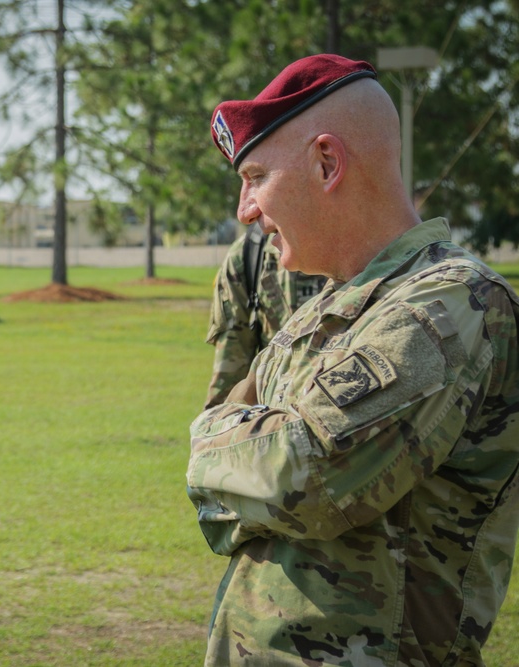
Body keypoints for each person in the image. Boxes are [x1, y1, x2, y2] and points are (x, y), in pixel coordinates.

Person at [188, 53, 519, 665]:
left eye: (256, 176)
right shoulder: (329, 308)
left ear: (327, 162)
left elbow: (306, 476)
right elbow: (243, 470)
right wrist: (244, 450)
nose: (245, 210)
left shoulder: (454, 303)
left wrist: (214, 439)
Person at [204, 224, 325, 408]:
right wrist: (213, 432)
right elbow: (230, 372)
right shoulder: (250, 253)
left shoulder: (372, 241)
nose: (245, 212)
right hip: (279, 425)